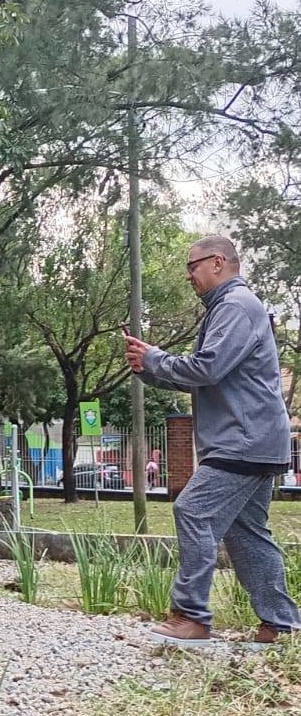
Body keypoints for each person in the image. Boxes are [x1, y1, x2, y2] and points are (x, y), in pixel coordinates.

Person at [125, 235, 300, 647]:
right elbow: (203, 374)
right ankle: (282, 625)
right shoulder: (228, 309)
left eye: (192, 266)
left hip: (243, 439)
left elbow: (208, 367)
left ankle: (192, 617)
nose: (189, 275)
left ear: (217, 262)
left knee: (194, 510)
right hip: (257, 439)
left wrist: (154, 357)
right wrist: (148, 368)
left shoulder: (236, 306)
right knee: (247, 532)